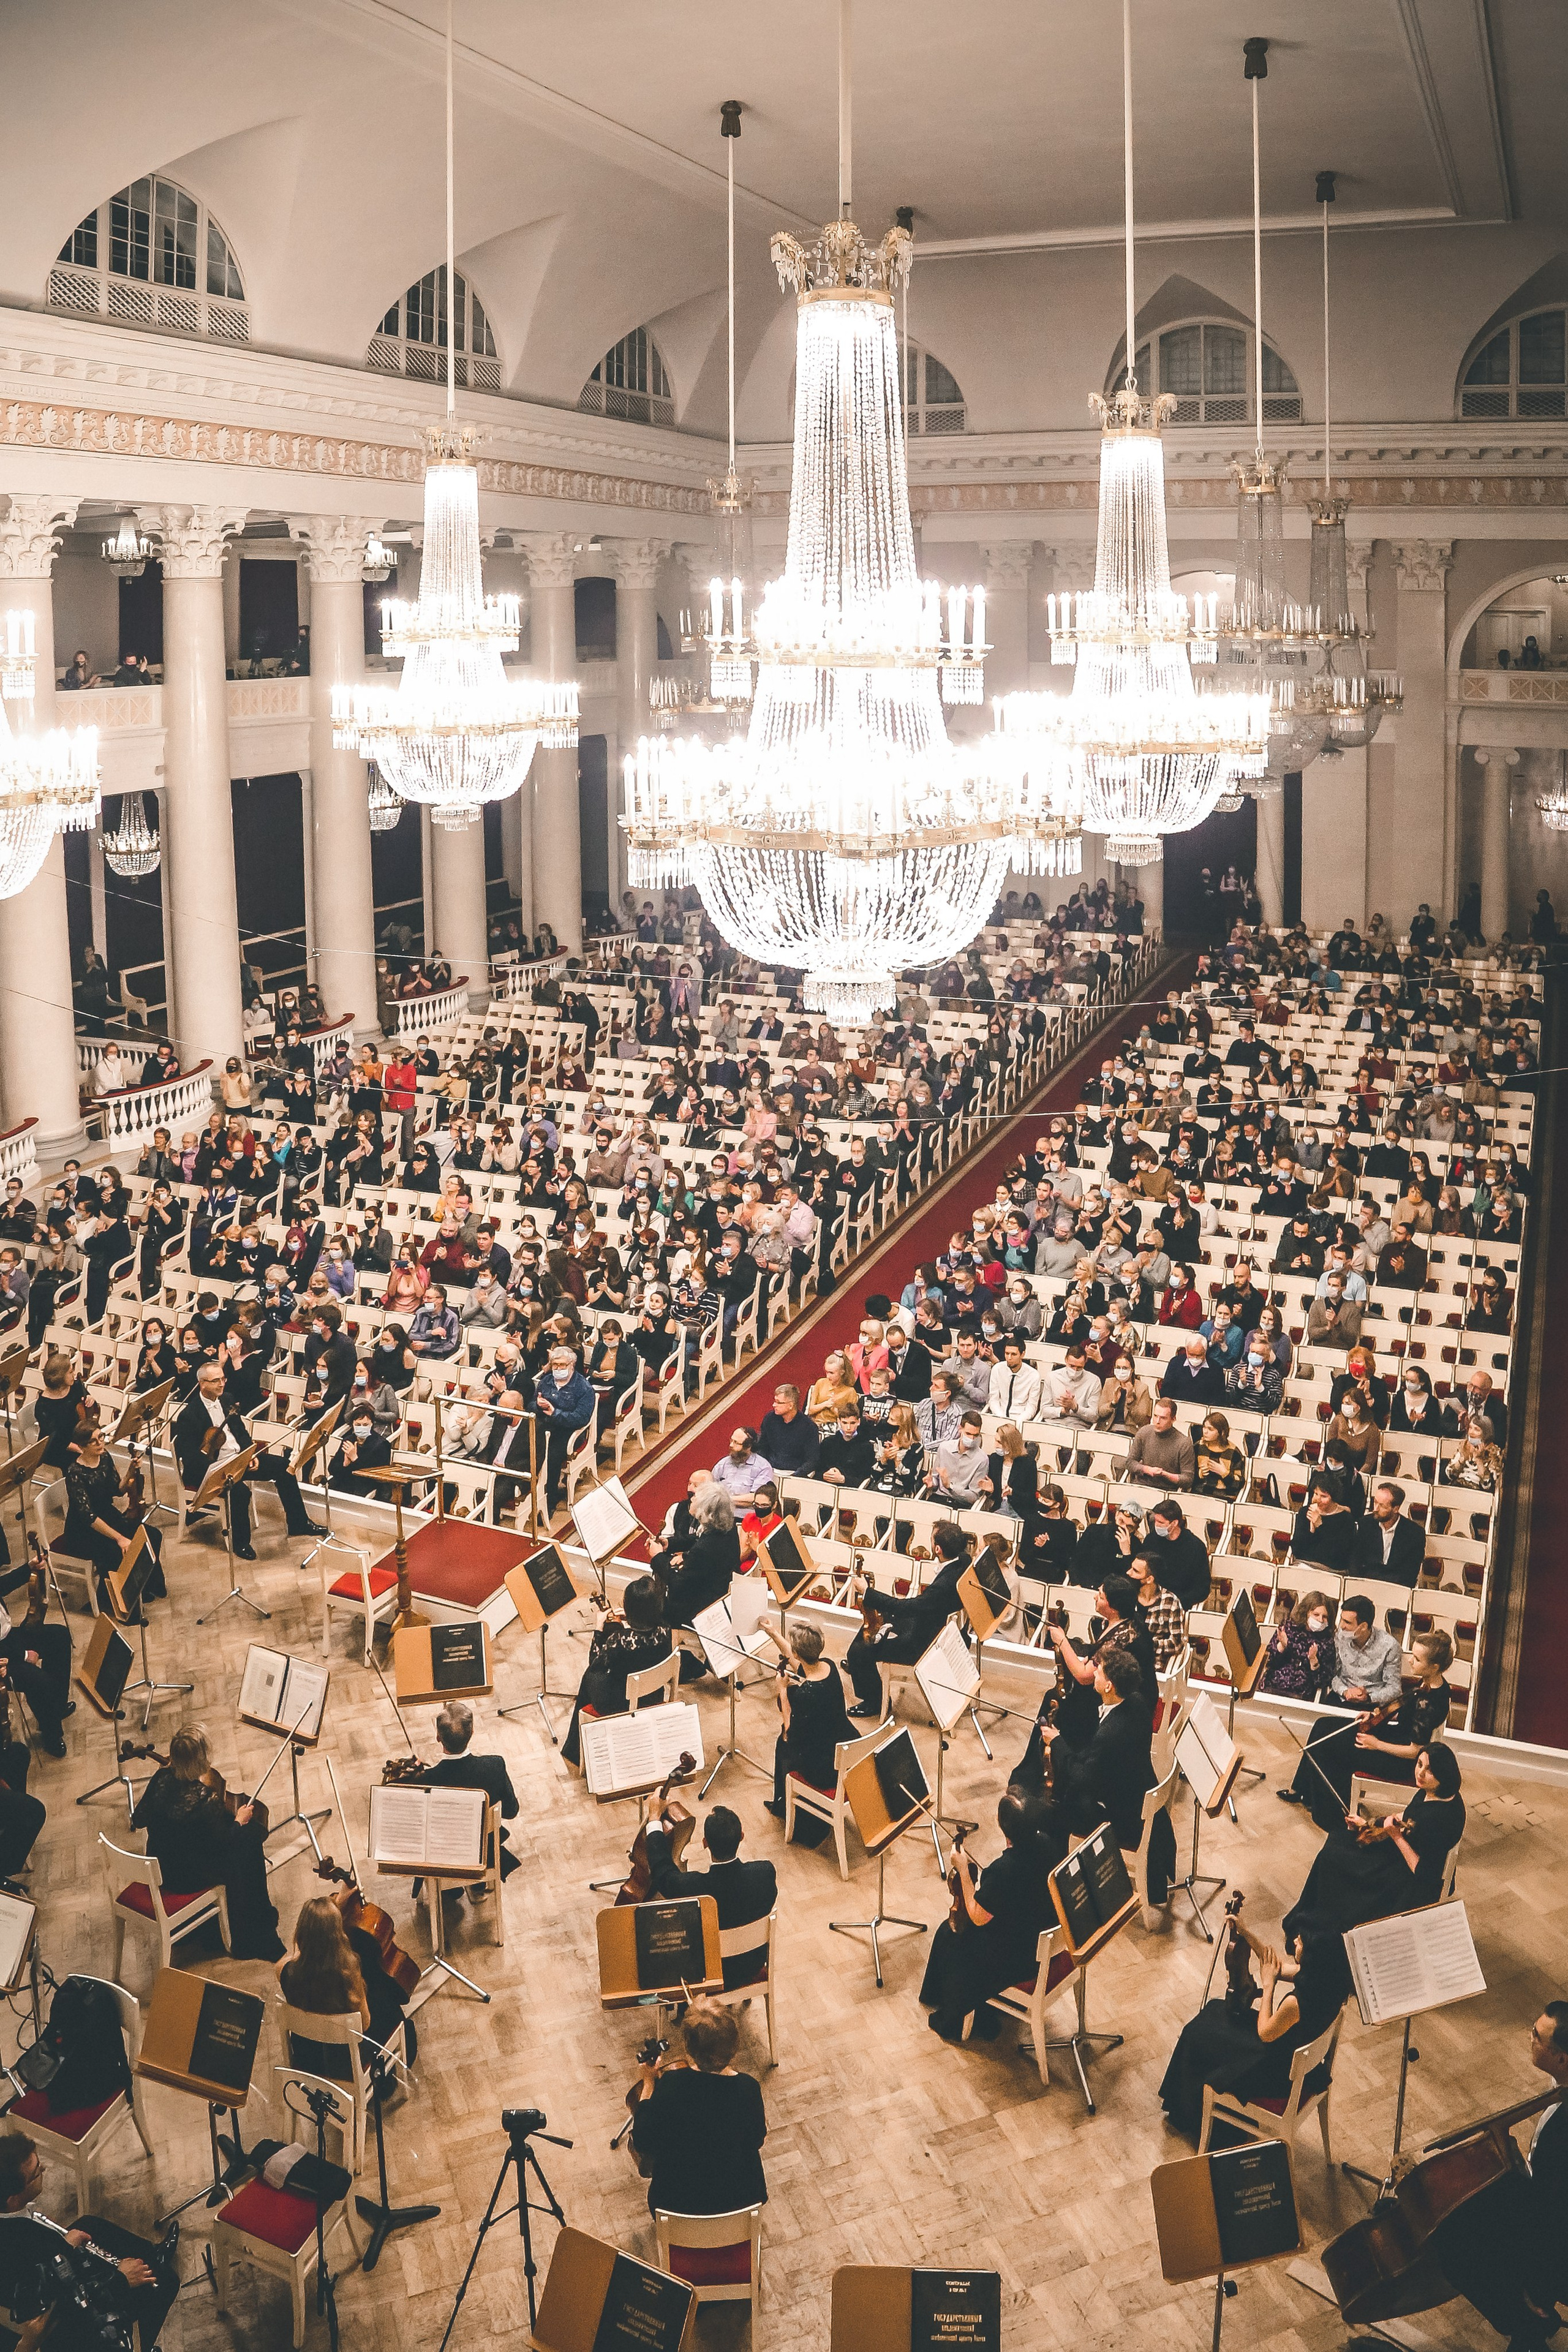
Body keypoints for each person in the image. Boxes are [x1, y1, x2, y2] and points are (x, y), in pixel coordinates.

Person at [1430, 1999, 1568, 2352]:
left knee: (1456, 2244)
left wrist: (1532, 2281)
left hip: (1558, 2236)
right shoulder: (1562, 2085)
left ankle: (1527, 2320)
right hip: (1549, 2201)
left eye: (1537, 2036)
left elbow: (1550, 2219)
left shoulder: (1562, 2132)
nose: (1530, 2037)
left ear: (1562, 2058)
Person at [1159, 1925, 1352, 2142]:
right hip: (1292, 2051)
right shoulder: (1328, 1981)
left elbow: (1265, 2033)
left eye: (1301, 1941)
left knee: (1197, 2035)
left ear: (1313, 1955)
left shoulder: (1295, 2004)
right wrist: (1245, 1932)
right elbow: (1274, 1966)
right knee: (1215, 2010)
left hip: (1275, 2071)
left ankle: (1188, 2114)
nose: (1295, 1941)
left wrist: (1268, 1986)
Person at [0, 2134, 181, 2351]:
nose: (44, 2169)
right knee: (166, 2281)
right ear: (13, 2199)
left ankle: (152, 2255)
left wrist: (65, 2244)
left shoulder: (13, 2221)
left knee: (89, 2225)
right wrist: (122, 2279)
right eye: (37, 2172)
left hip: (53, 2263)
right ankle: (144, 2345)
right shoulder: (28, 2245)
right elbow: (66, 2311)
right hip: (70, 2324)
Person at [130, 1723, 283, 1959]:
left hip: (162, 1867)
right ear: (201, 1759)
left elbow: (138, 1819)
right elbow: (223, 1843)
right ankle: (251, 1925)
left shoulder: (161, 1778)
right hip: (187, 1879)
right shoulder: (206, 1799)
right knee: (250, 1840)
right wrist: (239, 1820)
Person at [919, 1791, 1055, 2042]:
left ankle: (956, 2013)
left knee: (949, 1935)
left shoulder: (1002, 1872)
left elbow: (977, 1916)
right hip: (1040, 1940)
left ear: (1002, 1826)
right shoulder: (1048, 1844)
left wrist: (963, 1870)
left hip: (1017, 1959)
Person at [1011, 1646, 1156, 1866]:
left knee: (1046, 1812)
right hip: (1132, 1793)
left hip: (1118, 1818)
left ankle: (1053, 1868)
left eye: (1100, 1671)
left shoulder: (1110, 1734)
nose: (1094, 1672)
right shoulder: (1137, 1702)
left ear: (1109, 1686)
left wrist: (1056, 1742)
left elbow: (1082, 1778)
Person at [627, 2000, 767, 2217]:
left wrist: (648, 2083)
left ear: (688, 2047)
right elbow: (757, 2139)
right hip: (742, 2205)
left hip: (675, 2209)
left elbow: (643, 2141)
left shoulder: (671, 2085)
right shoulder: (748, 2088)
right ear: (735, 2045)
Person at [174, 1363, 326, 1556]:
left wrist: (250, 1454)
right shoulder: (189, 1415)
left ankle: (298, 1523)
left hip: (239, 1460)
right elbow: (191, 1459)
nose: (222, 1384)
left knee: (284, 1467)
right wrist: (221, 1470)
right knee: (240, 1492)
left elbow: (240, 1431)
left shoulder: (227, 1399)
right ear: (202, 1384)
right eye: (216, 1381)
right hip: (212, 1469)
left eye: (223, 1379)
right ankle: (240, 1544)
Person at [279, 1890, 417, 2080]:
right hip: (345, 2068)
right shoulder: (348, 1977)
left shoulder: (285, 1972)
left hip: (309, 2061)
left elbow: (293, 1958)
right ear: (338, 1935)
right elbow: (365, 2024)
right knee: (389, 2008)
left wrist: (310, 1940)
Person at [642, 1799, 777, 1988]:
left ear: (705, 1843)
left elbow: (662, 1872)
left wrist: (654, 1819)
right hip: (750, 1967)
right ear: (741, 1837)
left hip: (707, 1972)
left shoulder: (692, 1888)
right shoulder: (765, 1874)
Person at [842, 1521, 970, 1716]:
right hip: (935, 1625)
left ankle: (874, 1702)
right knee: (879, 1619)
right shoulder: (965, 1561)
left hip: (923, 1644)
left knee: (859, 1651)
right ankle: (861, 1669)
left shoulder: (943, 1586)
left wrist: (868, 1592)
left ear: (938, 1549)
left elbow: (907, 1608)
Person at [561, 1574, 672, 1768]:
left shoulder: (619, 1641)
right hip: (653, 1694)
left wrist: (599, 1627)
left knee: (588, 1677)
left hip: (621, 1703)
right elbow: (643, 1637)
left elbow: (594, 1662)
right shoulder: (666, 1630)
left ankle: (575, 1751)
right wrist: (631, 1621)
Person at [62, 1419, 166, 1615]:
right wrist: (119, 1538)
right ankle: (117, 1600)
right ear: (82, 1446)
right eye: (93, 1441)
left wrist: (131, 1471)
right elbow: (88, 1517)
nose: (100, 1442)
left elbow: (117, 1490)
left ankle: (144, 1586)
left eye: (101, 1436)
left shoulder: (105, 1457)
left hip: (108, 1515)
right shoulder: (74, 1473)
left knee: (152, 1535)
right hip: (84, 1530)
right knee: (118, 1550)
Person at [415, 1698, 520, 1891]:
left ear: (438, 1737)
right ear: (472, 1732)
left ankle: (450, 1890)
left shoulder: (427, 1779)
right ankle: (478, 1884)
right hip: (482, 1851)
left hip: (445, 1855)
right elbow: (512, 1811)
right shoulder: (495, 1766)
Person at [766, 1621, 853, 1841]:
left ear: (798, 1653)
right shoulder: (829, 1666)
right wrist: (772, 1633)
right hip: (844, 1745)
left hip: (825, 1770)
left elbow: (789, 1732)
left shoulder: (806, 1694)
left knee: (783, 1745)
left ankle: (785, 1806)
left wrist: (783, 1690)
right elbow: (797, 1662)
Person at [654, 1479, 740, 1628]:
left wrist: (658, 1557)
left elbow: (678, 1585)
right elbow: (697, 1538)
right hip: (717, 1590)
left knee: (651, 1607)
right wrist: (670, 1544)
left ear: (704, 1511)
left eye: (696, 1498)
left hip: (699, 1609)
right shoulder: (728, 1528)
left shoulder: (703, 1550)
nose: (692, 1500)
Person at [533, 1344, 596, 1520]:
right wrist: (538, 1406)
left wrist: (555, 1413)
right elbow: (531, 1404)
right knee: (527, 1448)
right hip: (545, 1426)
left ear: (572, 1365)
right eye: (555, 1365)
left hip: (569, 1431)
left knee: (551, 1457)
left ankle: (550, 1501)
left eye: (562, 1365)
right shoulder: (546, 1381)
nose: (558, 1368)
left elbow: (581, 1418)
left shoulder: (584, 1388)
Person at [1260, 1591, 1336, 1702]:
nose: (1320, 1620)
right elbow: (1269, 1661)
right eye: (1316, 1615)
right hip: (1272, 1687)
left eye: (1325, 1617)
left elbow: (1323, 1682)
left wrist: (1314, 1662)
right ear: (1306, 1613)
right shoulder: (1288, 1628)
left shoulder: (1327, 1641)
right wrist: (1282, 1647)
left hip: (1301, 1696)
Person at [1349, 1481, 1425, 1587]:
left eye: (1382, 1506)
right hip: (1366, 1583)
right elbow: (1355, 1560)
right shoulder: (1365, 1524)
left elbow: (1410, 1572)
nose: (1375, 1509)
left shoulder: (1414, 1533)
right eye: (1375, 1502)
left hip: (1397, 1586)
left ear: (1395, 1509)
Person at [1126, 1396, 1196, 1491]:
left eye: (1163, 1418)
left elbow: (1188, 1479)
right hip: (1141, 1486)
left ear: (1173, 1419)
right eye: (1155, 1416)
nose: (1157, 1422)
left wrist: (1165, 1474)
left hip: (1167, 1491)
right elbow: (1130, 1462)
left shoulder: (1184, 1443)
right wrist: (1147, 1470)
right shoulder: (1144, 1432)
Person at [756, 1383, 820, 1477]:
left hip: (796, 1473)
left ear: (791, 1406)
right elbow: (762, 1447)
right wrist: (764, 1468)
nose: (774, 1405)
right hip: (770, 1469)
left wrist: (795, 1476)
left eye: (778, 1402)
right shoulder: (770, 1419)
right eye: (775, 1401)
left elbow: (812, 1459)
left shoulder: (809, 1427)